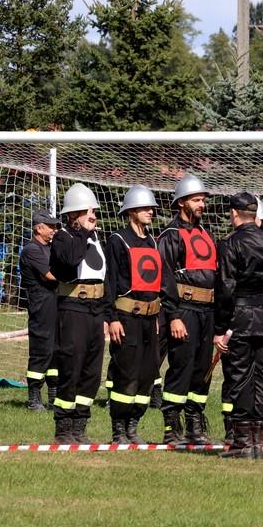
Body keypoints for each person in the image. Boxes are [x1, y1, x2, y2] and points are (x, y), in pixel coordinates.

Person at [214, 192, 263, 459]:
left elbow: (225, 288)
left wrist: (219, 329)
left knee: (240, 378)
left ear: (234, 213)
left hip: (239, 318)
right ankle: (257, 442)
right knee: (260, 379)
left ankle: (242, 443)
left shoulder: (230, 243)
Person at [158, 174, 217, 445]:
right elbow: (165, 278)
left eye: (203, 200)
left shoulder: (207, 234)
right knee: (181, 367)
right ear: (181, 202)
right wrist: (173, 316)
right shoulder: (171, 235)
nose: (201, 204)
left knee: (203, 370)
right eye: (196, 200)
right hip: (184, 310)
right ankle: (172, 427)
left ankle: (195, 424)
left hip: (208, 311)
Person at [49, 183, 108, 444]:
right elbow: (71, 259)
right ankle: (63, 428)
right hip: (73, 308)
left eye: (93, 211)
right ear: (73, 214)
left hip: (95, 310)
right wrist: (83, 232)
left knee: (91, 371)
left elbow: (106, 278)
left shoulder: (94, 239)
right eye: (88, 211)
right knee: (71, 367)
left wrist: (107, 315)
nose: (93, 216)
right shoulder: (63, 237)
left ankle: (80, 426)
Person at [105, 185, 162, 444]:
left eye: (151, 208)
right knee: (126, 373)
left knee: (148, 373)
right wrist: (112, 318)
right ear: (131, 211)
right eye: (145, 208)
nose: (151, 212)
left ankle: (133, 425)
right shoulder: (117, 240)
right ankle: (119, 429)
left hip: (150, 318)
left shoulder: (152, 241)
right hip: (127, 317)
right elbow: (110, 281)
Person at [19, 208, 60, 411]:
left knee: (57, 351)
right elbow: (51, 275)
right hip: (41, 306)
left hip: (57, 305)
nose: (54, 230)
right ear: (38, 228)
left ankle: (54, 396)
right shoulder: (31, 250)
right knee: (41, 351)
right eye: (50, 226)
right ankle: (34, 399)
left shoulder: (51, 248)